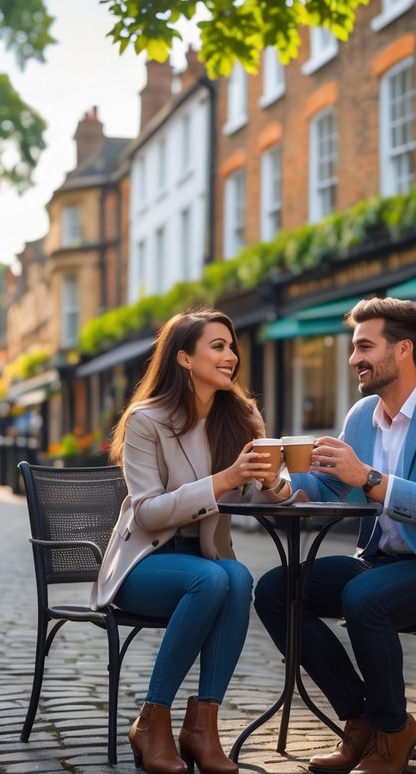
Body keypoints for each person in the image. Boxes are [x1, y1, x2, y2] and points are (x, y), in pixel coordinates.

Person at [253, 297, 416, 774]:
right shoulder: (363, 415)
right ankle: (361, 719)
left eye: (364, 346)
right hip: (379, 559)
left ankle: (390, 735)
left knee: (364, 599)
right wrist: (279, 485)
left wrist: (369, 478)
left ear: (403, 350)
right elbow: (327, 487)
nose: (354, 358)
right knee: (275, 590)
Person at [96, 308, 291, 774]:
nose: (231, 357)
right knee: (212, 580)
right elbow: (147, 511)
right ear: (184, 358)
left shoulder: (241, 416)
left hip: (205, 558)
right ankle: (152, 719)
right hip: (145, 561)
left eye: (232, 347)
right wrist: (222, 480)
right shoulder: (147, 421)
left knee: (237, 577)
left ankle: (203, 726)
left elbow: (257, 497)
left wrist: (273, 483)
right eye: (217, 346)